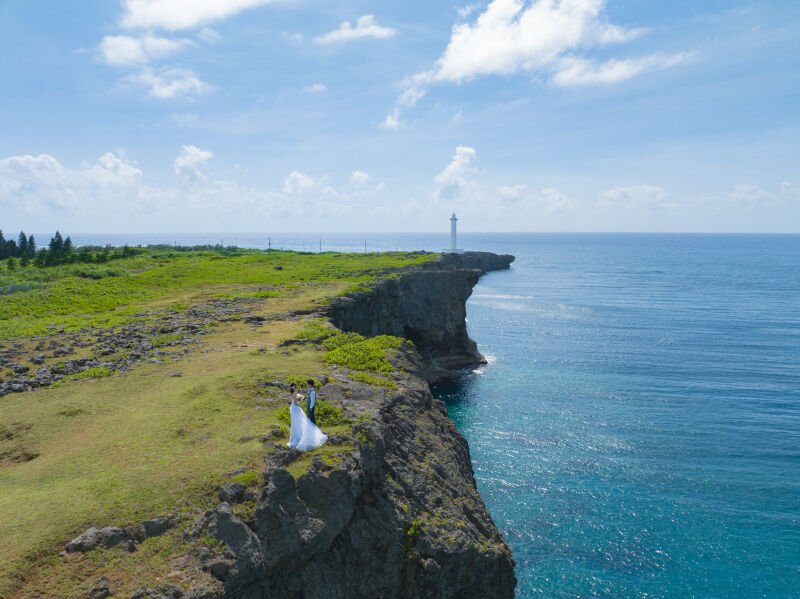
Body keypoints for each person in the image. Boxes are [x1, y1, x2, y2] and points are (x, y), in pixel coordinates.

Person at [287, 382, 327, 451]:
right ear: (294, 388)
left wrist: (294, 401)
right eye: (296, 387)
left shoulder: (291, 394)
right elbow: (296, 403)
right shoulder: (295, 394)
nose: (297, 388)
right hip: (296, 409)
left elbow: (289, 400)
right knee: (302, 421)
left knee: (295, 423)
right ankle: (302, 435)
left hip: (292, 409)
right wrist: (301, 401)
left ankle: (297, 436)